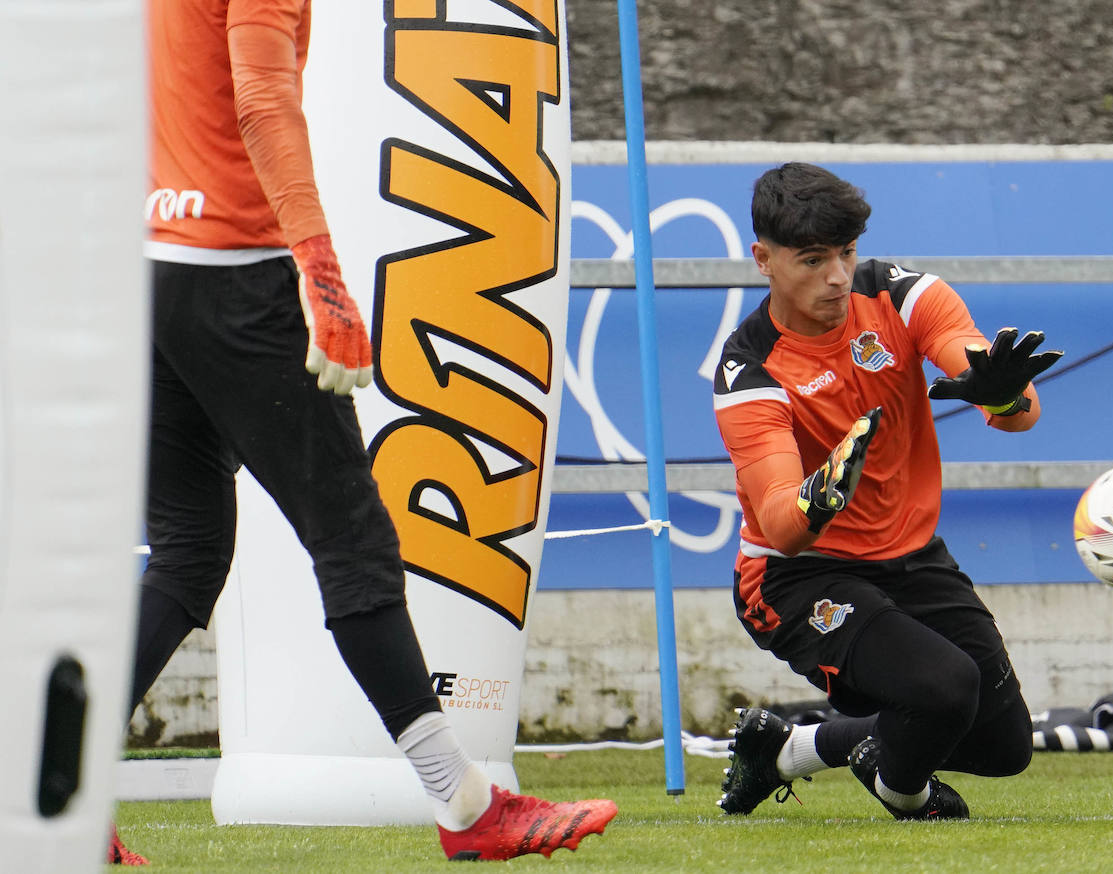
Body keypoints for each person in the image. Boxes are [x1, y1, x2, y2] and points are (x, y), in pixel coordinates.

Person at [114, 1, 616, 863]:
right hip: (234, 277)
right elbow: (263, 96)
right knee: (354, 546)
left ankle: (47, 785)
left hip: (151, 267)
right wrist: (323, 272)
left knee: (191, 552)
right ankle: (463, 803)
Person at [711, 162, 1061, 821]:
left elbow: (1010, 401)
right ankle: (906, 793)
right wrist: (821, 498)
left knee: (1002, 743)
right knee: (944, 690)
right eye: (812, 260)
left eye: (845, 254)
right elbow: (784, 524)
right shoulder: (749, 369)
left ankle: (787, 748)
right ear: (763, 259)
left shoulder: (904, 296)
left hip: (910, 556)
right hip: (794, 577)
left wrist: (1002, 392)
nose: (837, 277)